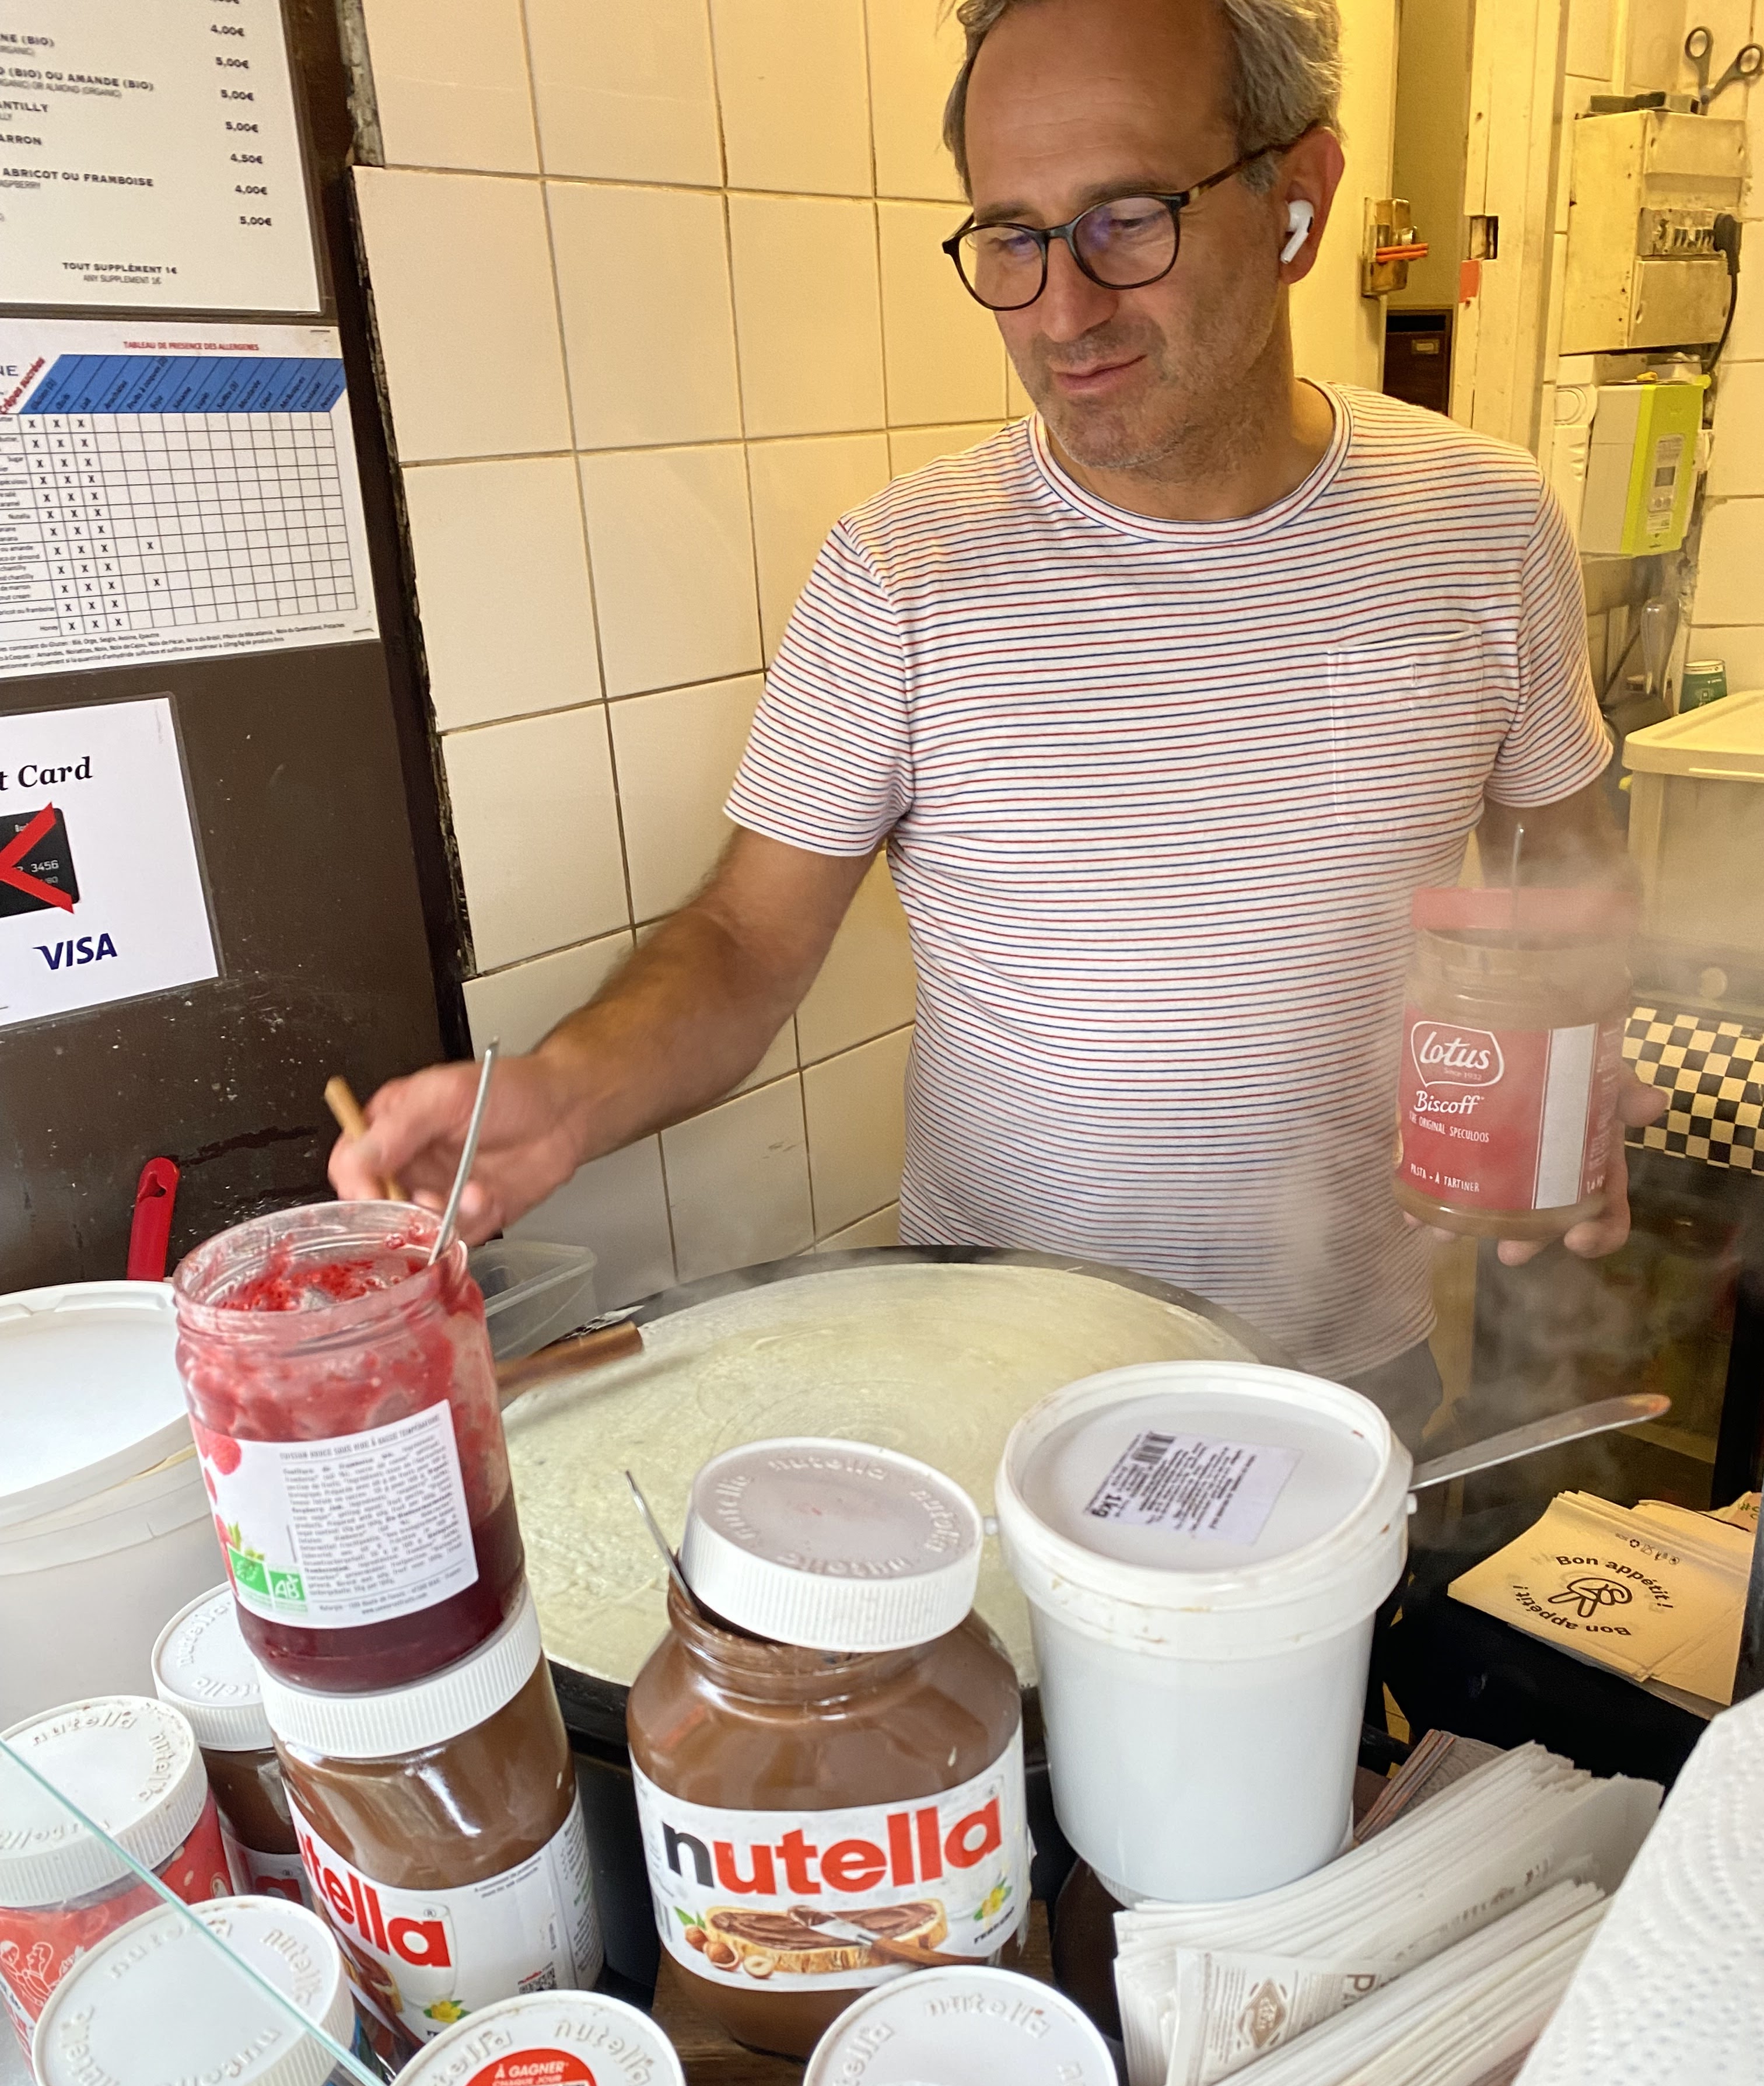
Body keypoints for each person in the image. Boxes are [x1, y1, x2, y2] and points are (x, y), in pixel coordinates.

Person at [332, 0, 1663, 1451]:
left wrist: (1568, 1066)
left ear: (1301, 196)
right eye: (1011, 239)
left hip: (1343, 1370)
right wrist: (564, 1095)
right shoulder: (906, 568)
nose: (1061, 312)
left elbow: (1560, 858)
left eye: (1126, 221)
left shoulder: (1478, 523)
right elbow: (750, 940)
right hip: (1000, 1386)